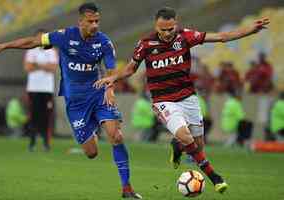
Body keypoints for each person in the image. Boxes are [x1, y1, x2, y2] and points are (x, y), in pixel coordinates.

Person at [94, 7, 269, 194]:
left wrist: (249, 30)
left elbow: (222, 36)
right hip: (163, 100)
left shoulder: (185, 36)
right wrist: (113, 78)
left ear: (176, 24)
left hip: (188, 98)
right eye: (164, 30)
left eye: (171, 28)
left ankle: (177, 146)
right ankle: (214, 177)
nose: (168, 33)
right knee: (186, 137)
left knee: (198, 146)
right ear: (156, 26)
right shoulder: (145, 44)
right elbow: (130, 69)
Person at [0, 3, 141, 199]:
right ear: (81, 22)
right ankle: (91, 130)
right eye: (90, 21)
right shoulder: (64, 36)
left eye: (97, 21)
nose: (95, 25)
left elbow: (111, 71)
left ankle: (127, 187)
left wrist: (110, 89)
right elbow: (33, 42)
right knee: (91, 153)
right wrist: (4, 45)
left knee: (116, 136)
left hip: (98, 95)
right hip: (75, 103)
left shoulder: (103, 42)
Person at [23, 29, 58, 152]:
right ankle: (32, 143)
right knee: (33, 116)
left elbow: (53, 68)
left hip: (46, 89)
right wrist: (44, 66)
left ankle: (46, 143)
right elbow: (27, 67)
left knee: (46, 117)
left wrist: (36, 64)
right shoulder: (30, 50)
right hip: (33, 88)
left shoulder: (52, 51)